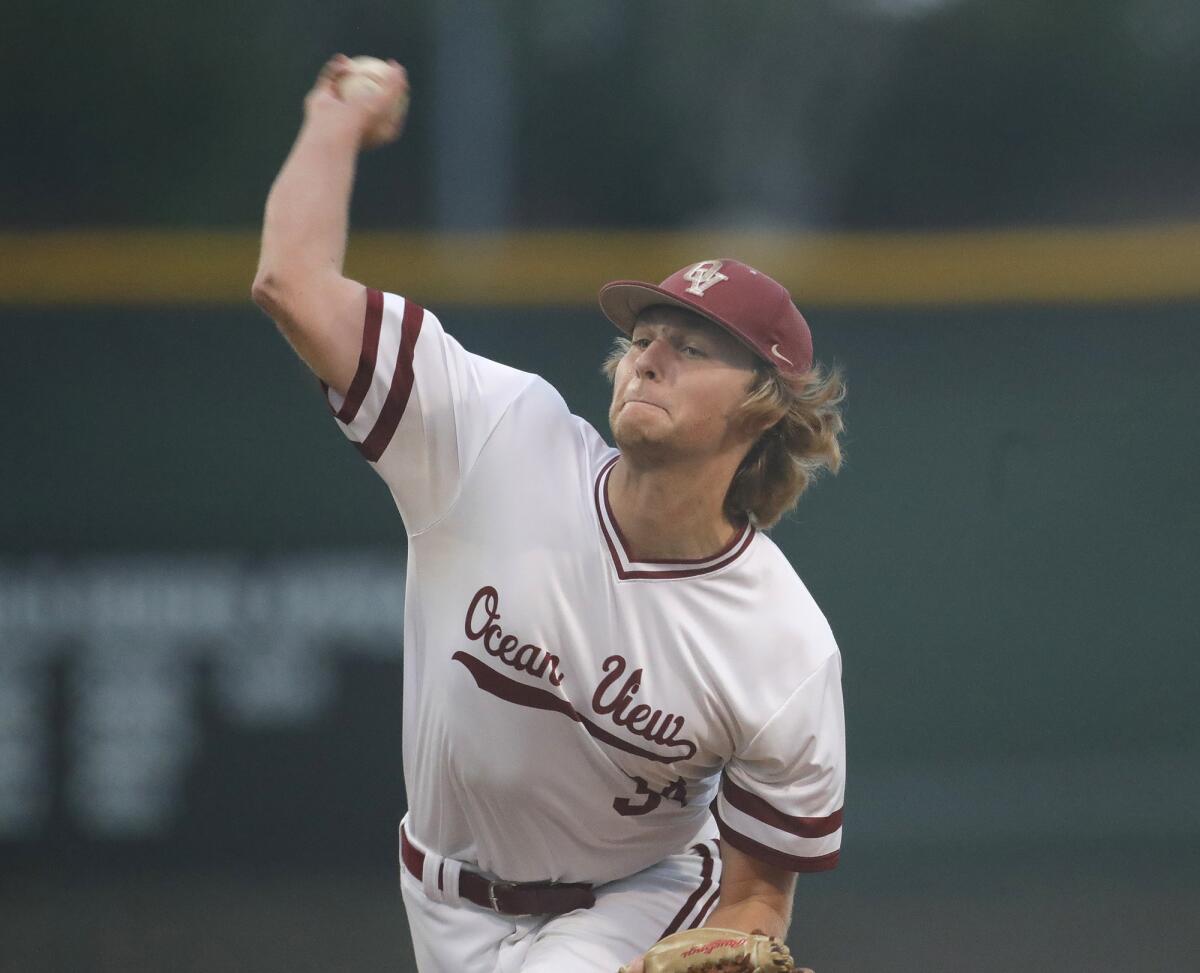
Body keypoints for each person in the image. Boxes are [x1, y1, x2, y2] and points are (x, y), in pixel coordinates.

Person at [252, 55, 847, 973]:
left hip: (632, 903)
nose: (649, 356)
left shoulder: (785, 650)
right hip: (435, 890)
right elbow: (292, 283)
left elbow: (760, 892)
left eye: (693, 347)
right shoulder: (496, 435)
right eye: (643, 336)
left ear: (766, 407)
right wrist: (335, 117)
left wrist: (744, 937)